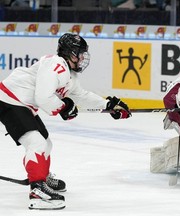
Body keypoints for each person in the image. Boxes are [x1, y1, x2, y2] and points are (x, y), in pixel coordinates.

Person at [0, 33, 131, 210]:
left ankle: (42, 178)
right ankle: (37, 191)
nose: (83, 58)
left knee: (46, 143)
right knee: (36, 142)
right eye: (80, 53)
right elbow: (43, 96)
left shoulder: (70, 75)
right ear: (70, 53)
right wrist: (63, 108)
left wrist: (108, 106)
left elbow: (81, 96)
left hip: (23, 104)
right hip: (9, 100)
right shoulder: (55, 64)